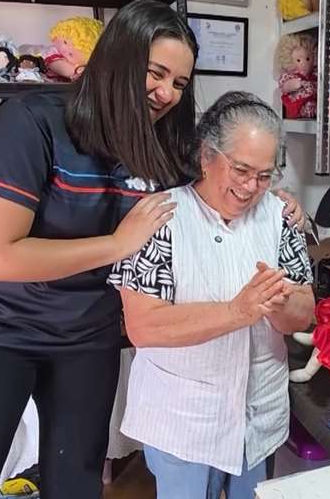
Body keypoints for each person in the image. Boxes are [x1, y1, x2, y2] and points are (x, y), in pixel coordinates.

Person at [0, 2, 304, 497]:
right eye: (156, 73)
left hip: (86, 337)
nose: (166, 93)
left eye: (180, 83)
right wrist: (116, 244)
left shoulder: (167, 146)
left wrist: (275, 199)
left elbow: (224, 177)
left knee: (76, 482)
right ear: (117, 59)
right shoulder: (34, 122)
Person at [110, 91, 316, 499]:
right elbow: (143, 326)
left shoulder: (279, 216)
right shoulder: (161, 217)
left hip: (258, 411)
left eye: (264, 175)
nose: (251, 187)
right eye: (241, 170)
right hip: (182, 419)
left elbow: (303, 314)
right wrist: (238, 311)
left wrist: (279, 304)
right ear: (207, 155)